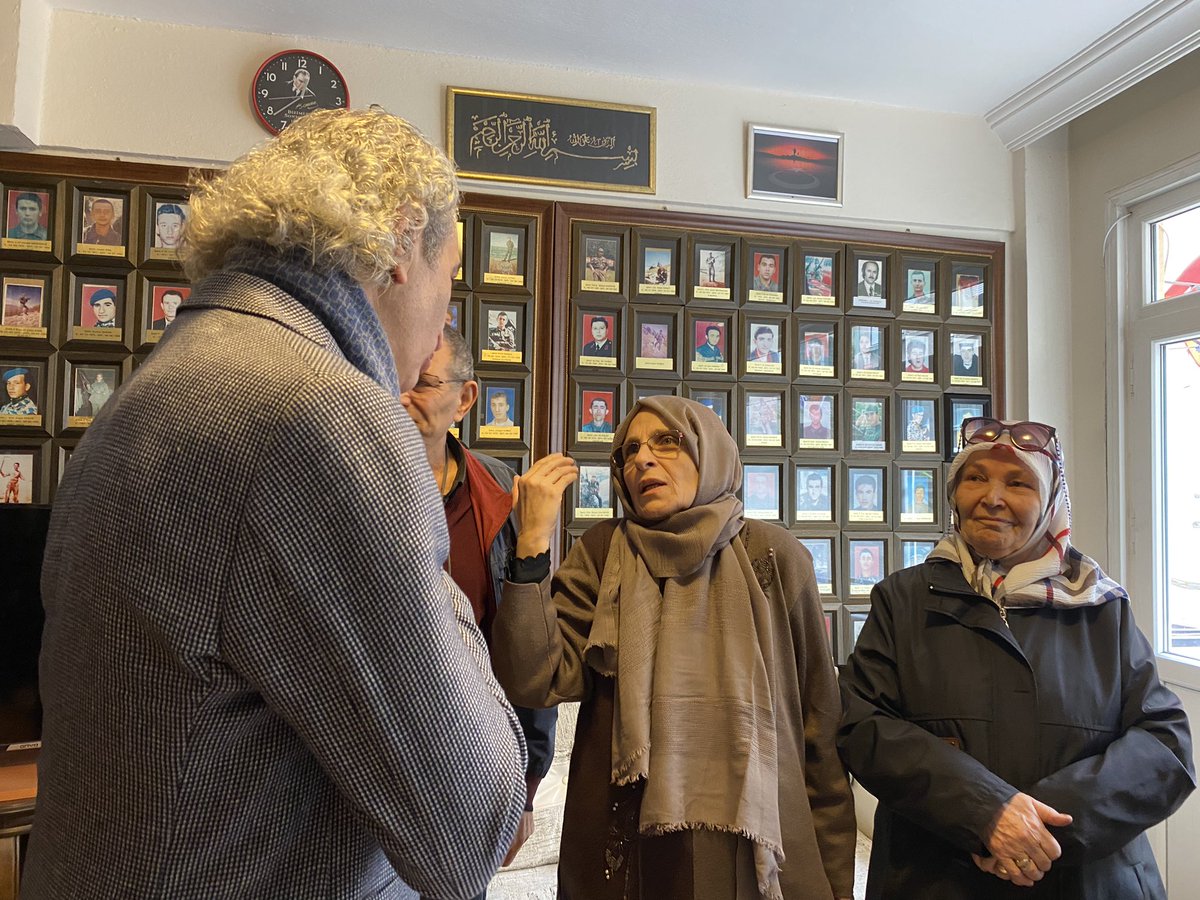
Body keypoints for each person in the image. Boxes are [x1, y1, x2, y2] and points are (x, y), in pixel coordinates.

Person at [22, 108, 528, 900]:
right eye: (450, 276)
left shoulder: (157, 386)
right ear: (403, 243)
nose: (442, 324)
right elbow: (476, 826)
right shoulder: (325, 412)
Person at [491, 396, 856, 899]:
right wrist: (531, 543)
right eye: (629, 451)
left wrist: (837, 884)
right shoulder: (602, 552)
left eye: (666, 441)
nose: (642, 459)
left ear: (711, 452)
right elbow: (535, 679)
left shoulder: (774, 556)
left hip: (755, 849)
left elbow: (820, 727)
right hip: (627, 844)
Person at [839, 417, 1196, 898]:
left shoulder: (1100, 606)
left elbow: (1164, 744)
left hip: (1088, 881)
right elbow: (863, 726)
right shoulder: (903, 601)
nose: (992, 497)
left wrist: (1037, 830)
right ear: (954, 493)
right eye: (975, 477)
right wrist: (984, 811)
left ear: (1050, 500)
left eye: (1018, 483)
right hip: (937, 879)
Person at [400, 327, 560, 896]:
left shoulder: (501, 496)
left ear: (465, 399)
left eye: (421, 382)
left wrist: (524, 789)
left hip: (470, 764)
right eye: (391, 374)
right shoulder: (348, 482)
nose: (400, 393)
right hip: (371, 758)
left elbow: (529, 648)